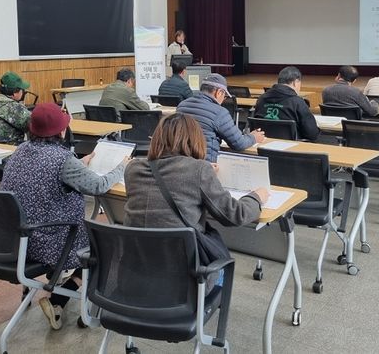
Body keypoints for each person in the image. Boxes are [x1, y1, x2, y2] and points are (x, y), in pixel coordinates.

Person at [1, 103, 128, 330]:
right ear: (61, 131)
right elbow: (98, 185)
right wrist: (121, 167)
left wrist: (80, 164)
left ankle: (58, 298)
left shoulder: (19, 151)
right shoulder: (62, 159)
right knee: (104, 246)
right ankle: (63, 300)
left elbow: (43, 175)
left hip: (15, 239)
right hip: (51, 242)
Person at [124, 113, 268, 284]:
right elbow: (235, 215)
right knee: (221, 271)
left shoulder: (133, 169)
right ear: (195, 140)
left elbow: (170, 178)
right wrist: (256, 197)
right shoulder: (198, 170)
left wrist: (204, 173)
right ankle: (205, 309)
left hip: (134, 274)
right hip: (184, 281)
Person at [177, 73, 265, 162]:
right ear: (218, 92)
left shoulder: (182, 106)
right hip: (206, 166)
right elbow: (239, 144)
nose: (223, 99)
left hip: (181, 163)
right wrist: (254, 137)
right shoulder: (220, 112)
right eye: (225, 96)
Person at [254, 66, 320, 141]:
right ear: (295, 82)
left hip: (264, 146)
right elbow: (312, 134)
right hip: (291, 148)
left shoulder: (261, 99)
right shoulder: (298, 102)